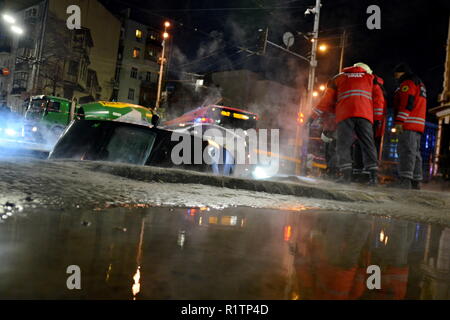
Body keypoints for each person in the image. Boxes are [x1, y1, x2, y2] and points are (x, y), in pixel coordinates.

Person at [310, 62, 385, 185]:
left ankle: (346, 176)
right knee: (368, 144)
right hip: (364, 115)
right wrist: (377, 120)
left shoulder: (338, 78)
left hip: (345, 116)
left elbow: (325, 101)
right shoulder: (371, 78)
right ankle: (373, 178)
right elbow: (379, 100)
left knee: (343, 145)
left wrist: (311, 117)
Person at [392, 63, 427, 190]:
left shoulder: (408, 83)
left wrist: (400, 121)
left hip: (408, 122)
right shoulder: (419, 83)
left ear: (402, 73)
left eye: (396, 75)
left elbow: (407, 103)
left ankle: (405, 180)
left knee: (406, 151)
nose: (395, 78)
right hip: (417, 124)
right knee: (415, 152)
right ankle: (415, 181)